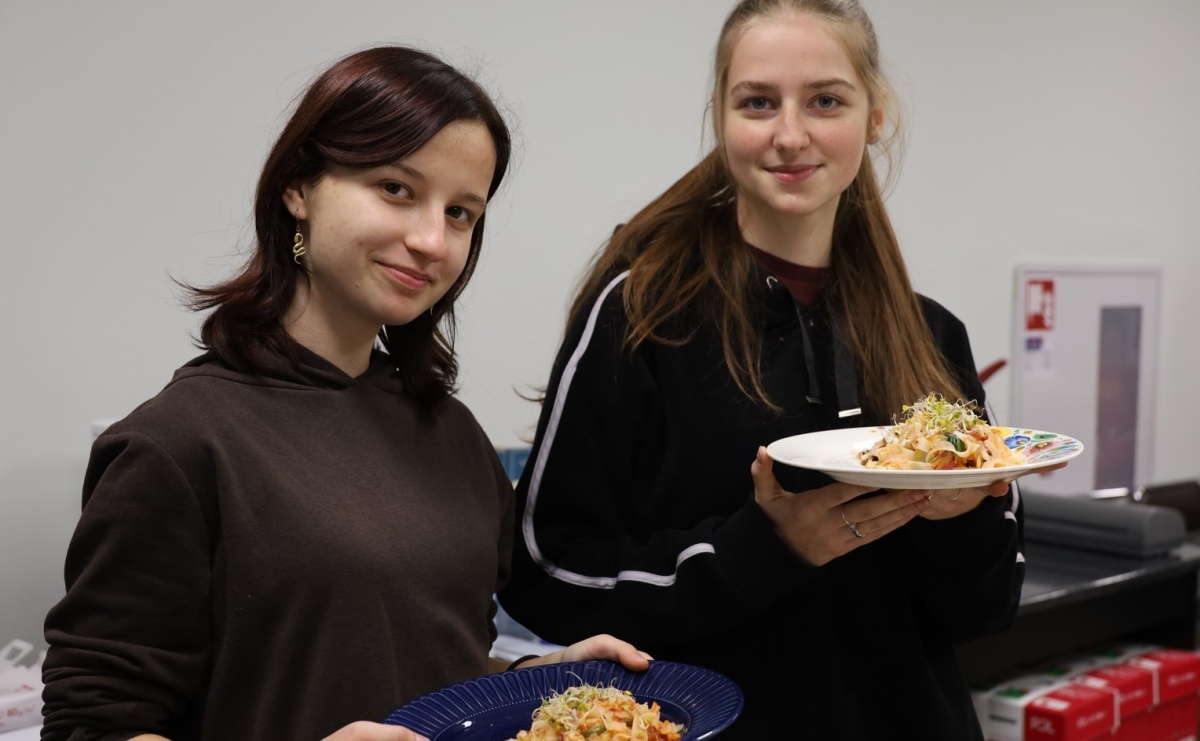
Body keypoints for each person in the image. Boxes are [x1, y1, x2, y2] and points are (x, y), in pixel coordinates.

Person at [41, 46, 649, 741]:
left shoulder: (452, 435)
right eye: (396, 188)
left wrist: (544, 684)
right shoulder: (178, 444)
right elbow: (91, 724)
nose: (432, 239)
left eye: (460, 212)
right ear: (299, 187)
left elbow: (425, 670)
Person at [498, 2, 1030, 738]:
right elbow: (544, 573)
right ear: (720, 116)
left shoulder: (931, 334)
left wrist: (963, 517)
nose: (789, 134)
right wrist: (763, 550)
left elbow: (988, 609)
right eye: (757, 102)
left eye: (825, 101)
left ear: (875, 116)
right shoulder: (641, 312)